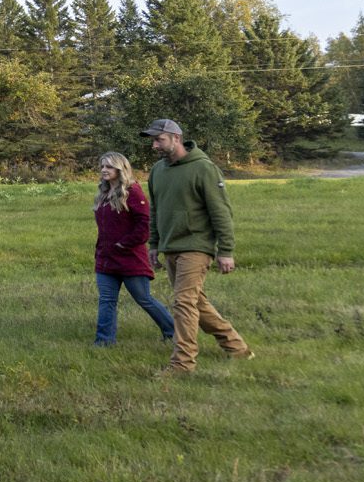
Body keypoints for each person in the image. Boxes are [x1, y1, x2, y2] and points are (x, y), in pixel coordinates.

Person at [143, 118, 252, 375]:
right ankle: (237, 348)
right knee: (195, 303)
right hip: (170, 247)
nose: (154, 146)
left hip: (196, 246)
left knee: (182, 303)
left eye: (159, 140)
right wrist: (154, 244)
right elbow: (156, 211)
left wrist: (226, 251)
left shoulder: (204, 168)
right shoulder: (158, 171)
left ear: (176, 137)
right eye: (153, 141)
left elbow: (221, 212)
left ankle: (183, 364)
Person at [90, 152, 175, 347]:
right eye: (102, 166)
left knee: (143, 298)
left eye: (109, 167)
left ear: (120, 169)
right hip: (105, 259)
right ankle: (104, 342)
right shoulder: (103, 193)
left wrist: (124, 244)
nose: (104, 170)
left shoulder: (133, 191)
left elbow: (144, 225)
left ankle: (173, 331)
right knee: (106, 300)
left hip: (130, 258)